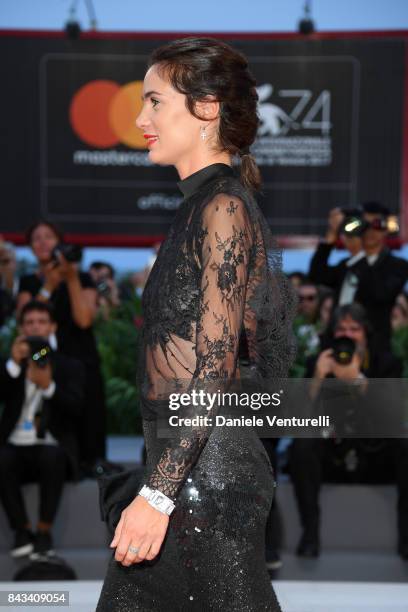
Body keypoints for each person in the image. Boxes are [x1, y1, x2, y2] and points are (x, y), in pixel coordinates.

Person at [96, 37, 295, 611]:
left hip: (204, 480)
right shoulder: (201, 207)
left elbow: (214, 370)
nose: (139, 119)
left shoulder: (222, 206)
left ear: (206, 108)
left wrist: (157, 495)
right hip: (189, 468)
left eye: (155, 102)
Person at [289, 304, 408, 560]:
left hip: (374, 452)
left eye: (354, 329)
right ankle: (310, 535)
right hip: (333, 450)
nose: (348, 335)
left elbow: (392, 417)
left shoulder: (386, 363)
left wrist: (357, 379)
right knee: (302, 445)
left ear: (366, 333)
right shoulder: (318, 361)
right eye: (341, 328)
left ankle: (406, 540)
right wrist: (319, 378)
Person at [16, 222, 108, 476]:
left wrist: (70, 279)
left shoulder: (83, 279)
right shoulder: (27, 282)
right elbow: (25, 320)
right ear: (30, 247)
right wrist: (49, 285)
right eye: (37, 238)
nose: (43, 242)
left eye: (49, 237)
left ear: (59, 243)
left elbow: (84, 320)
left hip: (81, 356)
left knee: (89, 414)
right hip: (44, 358)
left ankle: (91, 464)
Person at [0, 301, 85, 559]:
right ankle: (21, 531)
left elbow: (77, 410)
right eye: (29, 322)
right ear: (21, 328)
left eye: (41, 321)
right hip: (14, 444)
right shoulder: (11, 366)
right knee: (2, 458)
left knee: (53, 457)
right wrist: (14, 366)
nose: (35, 326)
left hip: (51, 444)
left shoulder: (69, 365)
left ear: (52, 327)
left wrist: (49, 387)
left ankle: (44, 532)